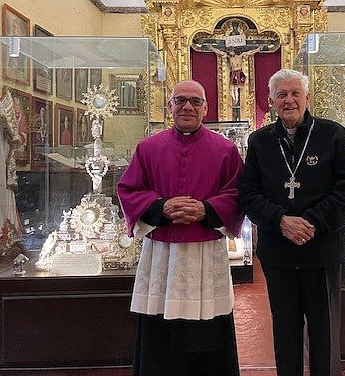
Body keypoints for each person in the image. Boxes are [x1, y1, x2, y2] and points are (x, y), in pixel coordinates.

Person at [238, 69, 345, 376]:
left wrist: (310, 223)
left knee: (325, 332)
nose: (289, 100)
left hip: (324, 251)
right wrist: (280, 220)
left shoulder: (333, 135)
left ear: (307, 97)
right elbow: (248, 193)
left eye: (295, 93)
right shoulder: (260, 141)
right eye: (281, 95)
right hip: (278, 253)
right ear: (271, 101)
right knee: (285, 330)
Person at [117, 79, 244, 376]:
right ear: (170, 106)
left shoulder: (225, 150)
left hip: (205, 252)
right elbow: (129, 189)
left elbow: (239, 193)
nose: (188, 106)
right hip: (162, 252)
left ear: (206, 108)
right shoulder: (148, 148)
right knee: (160, 329)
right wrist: (161, 207)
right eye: (181, 100)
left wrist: (207, 209)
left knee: (208, 328)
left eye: (195, 101)